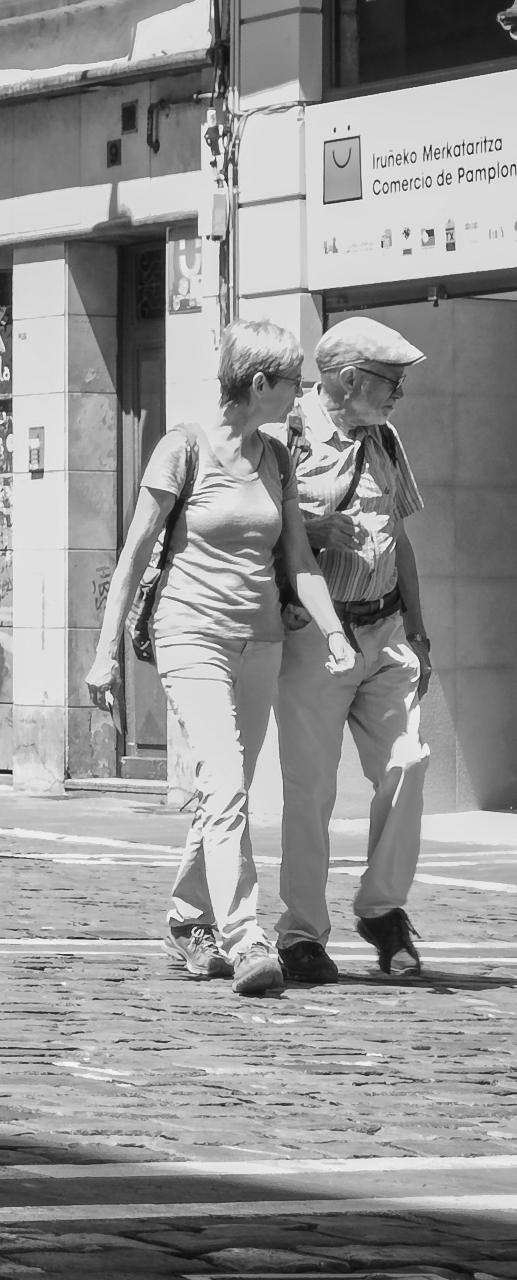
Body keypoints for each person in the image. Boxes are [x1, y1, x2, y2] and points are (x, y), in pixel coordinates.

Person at [86, 319, 355, 996]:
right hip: (190, 634)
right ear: (260, 383)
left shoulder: (277, 458)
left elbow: (298, 559)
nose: (303, 390)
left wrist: (334, 632)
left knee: (222, 789)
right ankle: (245, 939)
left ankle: (187, 918)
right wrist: (104, 654)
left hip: (259, 641)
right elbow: (134, 556)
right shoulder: (182, 448)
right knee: (227, 783)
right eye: (294, 380)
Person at [274, 317, 432, 982]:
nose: (399, 393)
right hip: (315, 634)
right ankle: (301, 933)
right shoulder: (286, 435)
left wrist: (419, 630)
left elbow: (400, 538)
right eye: (390, 381)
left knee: (408, 761)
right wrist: (310, 530)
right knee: (311, 789)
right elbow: (250, 529)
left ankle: (382, 909)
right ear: (346, 379)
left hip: (385, 628)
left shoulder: (385, 438)